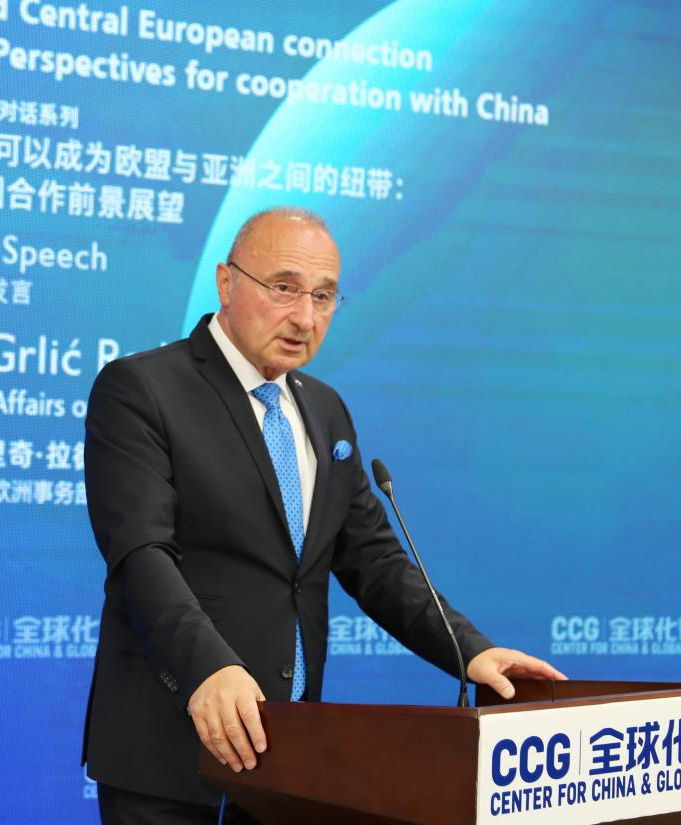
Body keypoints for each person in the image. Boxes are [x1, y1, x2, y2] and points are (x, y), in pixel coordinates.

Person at [82, 207, 564, 824]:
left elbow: (374, 559)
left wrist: (468, 649)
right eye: (283, 288)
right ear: (227, 282)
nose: (305, 318)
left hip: (288, 750)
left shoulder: (324, 409)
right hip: (171, 742)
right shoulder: (142, 388)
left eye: (324, 296)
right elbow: (140, 555)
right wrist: (209, 668)